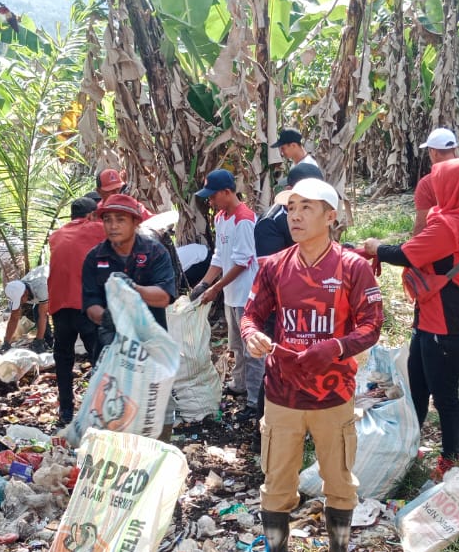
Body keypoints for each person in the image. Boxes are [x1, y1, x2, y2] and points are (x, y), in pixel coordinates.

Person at [241, 179, 384, 552]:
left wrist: (336, 346)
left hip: (332, 395)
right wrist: (252, 336)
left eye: (307, 207)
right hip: (282, 393)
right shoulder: (274, 267)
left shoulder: (352, 267)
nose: (296, 216)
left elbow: (372, 325)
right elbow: (252, 315)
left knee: (339, 480)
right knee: (277, 481)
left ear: (331, 216)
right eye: (291, 209)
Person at [363, 158, 459, 480]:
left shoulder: (450, 226)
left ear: (455, 187)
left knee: (445, 396)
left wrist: (373, 246)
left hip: (447, 326)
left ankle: (450, 458)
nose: (435, 186)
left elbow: (406, 253)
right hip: (432, 320)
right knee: (418, 387)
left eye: (441, 181)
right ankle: (412, 443)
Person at [191, 169, 261, 420]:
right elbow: (220, 256)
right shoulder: (221, 218)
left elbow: (242, 261)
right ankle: (239, 385)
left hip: (246, 295)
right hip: (232, 294)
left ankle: (255, 400)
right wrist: (204, 283)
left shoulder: (244, 220)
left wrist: (215, 288)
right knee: (236, 345)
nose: (210, 202)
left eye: (213, 197)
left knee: (252, 349)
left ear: (227, 192)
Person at [81, 193, 177, 361]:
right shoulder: (94, 258)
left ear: (135, 222)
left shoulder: (155, 253)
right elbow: (90, 304)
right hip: (111, 350)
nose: (113, 226)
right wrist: (108, 319)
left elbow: (163, 297)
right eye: (107, 220)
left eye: (120, 220)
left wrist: (132, 288)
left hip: (151, 349)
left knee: (152, 387)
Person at [47, 198, 107, 425]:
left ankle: (65, 411)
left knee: (63, 359)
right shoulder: (96, 229)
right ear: (92, 215)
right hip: (85, 305)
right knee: (98, 358)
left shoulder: (56, 235)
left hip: (59, 306)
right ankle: (98, 409)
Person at [254, 160, 324, 258]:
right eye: (307, 192)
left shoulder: (317, 213)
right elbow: (270, 268)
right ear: (289, 191)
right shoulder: (269, 222)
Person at [412, 127, 459, 231]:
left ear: (433, 152)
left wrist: (411, 245)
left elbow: (422, 224)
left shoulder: (426, 184)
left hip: (443, 241)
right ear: (455, 149)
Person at [1, 264, 50, 349]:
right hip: (41, 289)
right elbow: (14, 317)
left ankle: (46, 341)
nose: (19, 303)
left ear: (25, 293)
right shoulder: (17, 290)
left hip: (58, 282)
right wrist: (6, 342)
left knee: (40, 313)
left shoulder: (41, 287)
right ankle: (46, 341)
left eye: (20, 300)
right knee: (34, 312)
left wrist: (39, 340)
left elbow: (43, 316)